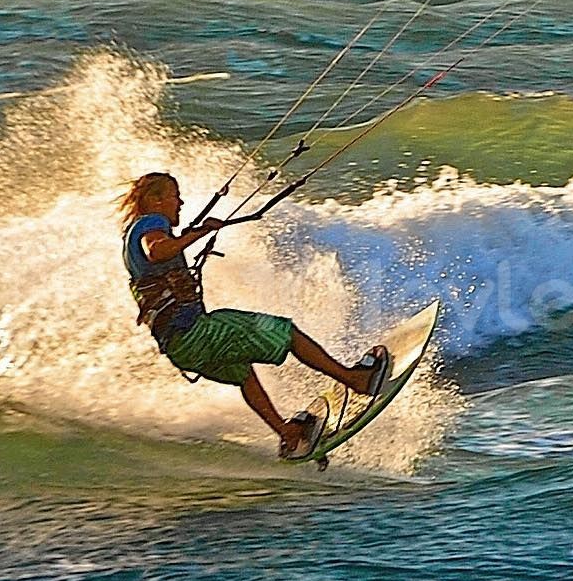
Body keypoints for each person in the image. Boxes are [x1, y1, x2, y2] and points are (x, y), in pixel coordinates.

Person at [119, 171, 388, 459]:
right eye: (175, 196)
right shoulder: (151, 223)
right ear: (156, 199)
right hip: (195, 332)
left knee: (244, 373)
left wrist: (191, 237)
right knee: (286, 333)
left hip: (179, 348)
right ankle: (353, 379)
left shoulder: (130, 238)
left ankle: (286, 433)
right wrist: (199, 233)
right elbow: (157, 251)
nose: (181, 203)